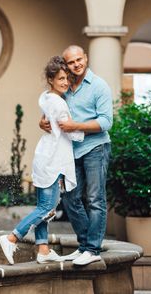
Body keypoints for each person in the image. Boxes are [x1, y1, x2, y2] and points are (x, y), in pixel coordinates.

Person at [0, 56, 84, 265]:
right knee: (47, 208)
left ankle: (43, 250)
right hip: (53, 160)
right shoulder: (59, 104)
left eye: (67, 78)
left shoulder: (45, 97)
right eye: (61, 78)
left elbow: (51, 123)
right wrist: (84, 129)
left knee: (43, 206)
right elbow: (72, 133)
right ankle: (12, 237)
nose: (65, 82)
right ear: (51, 79)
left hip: (45, 156)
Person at [40, 45, 112, 266]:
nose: (76, 65)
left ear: (86, 58)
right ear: (66, 64)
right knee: (71, 198)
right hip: (71, 151)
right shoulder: (65, 86)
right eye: (71, 62)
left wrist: (75, 126)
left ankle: (92, 248)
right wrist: (42, 122)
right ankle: (83, 246)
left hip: (95, 149)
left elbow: (106, 122)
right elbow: (52, 111)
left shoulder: (99, 86)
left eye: (79, 60)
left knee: (94, 199)